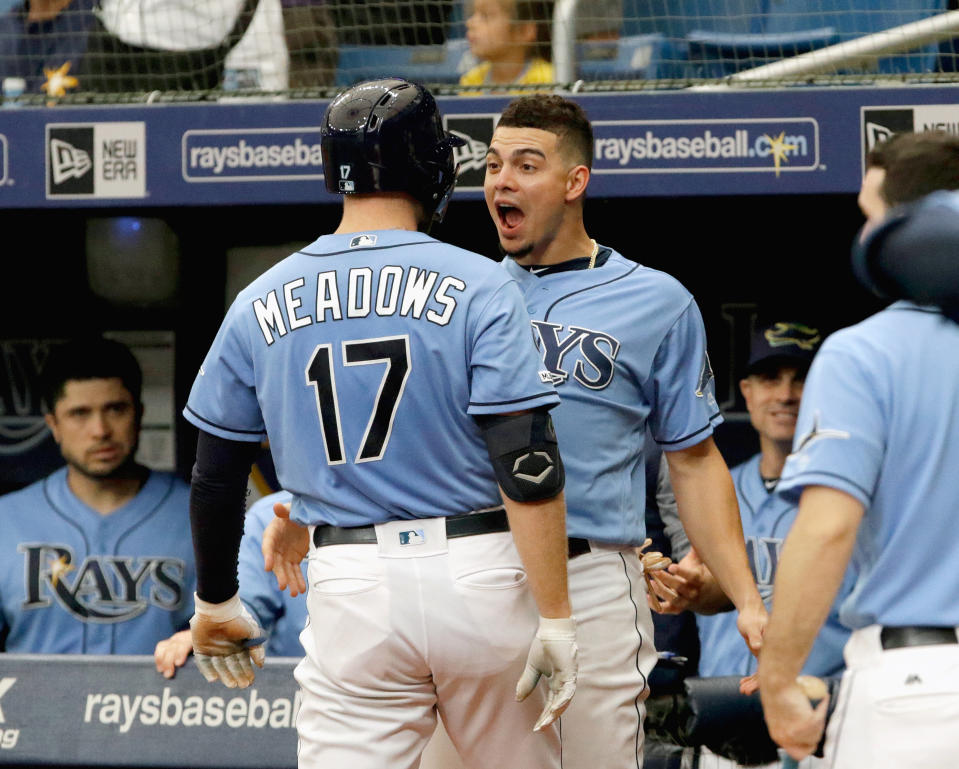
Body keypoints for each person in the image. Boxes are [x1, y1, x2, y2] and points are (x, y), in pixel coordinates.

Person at [182, 78, 577, 769]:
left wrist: (216, 599)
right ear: (434, 167)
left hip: (349, 579)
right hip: (479, 572)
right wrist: (555, 615)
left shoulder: (260, 297)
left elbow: (214, 475)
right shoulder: (482, 282)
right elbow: (526, 461)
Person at [483, 92, 766, 768]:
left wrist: (748, 600)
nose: (501, 181)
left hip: (591, 574)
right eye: (492, 165)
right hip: (475, 569)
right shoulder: (465, 294)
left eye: (526, 165)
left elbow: (693, 462)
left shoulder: (656, 300)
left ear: (574, 182)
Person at [757, 129, 959, 768]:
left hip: (921, 688)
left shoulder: (865, 351)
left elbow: (827, 529)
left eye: (873, 217)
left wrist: (779, 681)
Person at [0, 336, 194, 653]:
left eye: (115, 409)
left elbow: (237, 636)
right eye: (80, 413)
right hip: (32, 703)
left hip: (159, 702)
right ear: (54, 424)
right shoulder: (6, 521)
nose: (100, 430)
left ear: (139, 413)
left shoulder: (199, 518)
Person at [460, 0, 553, 89]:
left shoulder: (549, 81)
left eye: (486, 16)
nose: (470, 23)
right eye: (473, 14)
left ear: (524, 31)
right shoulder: (470, 82)